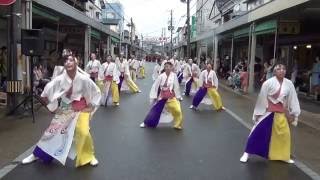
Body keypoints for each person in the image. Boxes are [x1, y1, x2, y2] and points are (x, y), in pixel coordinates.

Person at [22, 53, 101, 167]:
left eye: (71, 60)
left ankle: (89, 156)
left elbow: (96, 91)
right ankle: (37, 154)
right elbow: (47, 91)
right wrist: (51, 107)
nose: (68, 62)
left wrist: (91, 106)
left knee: (83, 132)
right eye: (65, 61)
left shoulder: (83, 78)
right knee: (52, 132)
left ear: (76, 62)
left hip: (82, 108)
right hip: (66, 108)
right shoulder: (60, 79)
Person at [239, 64, 300, 164]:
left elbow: (293, 99)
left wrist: (294, 113)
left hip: (281, 113)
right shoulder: (268, 83)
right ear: (274, 72)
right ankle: (247, 153)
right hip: (267, 112)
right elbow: (262, 98)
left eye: (283, 69)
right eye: (278, 69)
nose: (281, 71)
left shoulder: (289, 83)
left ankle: (284, 156)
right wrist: (258, 113)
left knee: (284, 135)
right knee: (257, 133)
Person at [140, 62, 183, 130]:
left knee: (178, 110)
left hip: (171, 96)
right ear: (164, 68)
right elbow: (155, 86)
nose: (167, 68)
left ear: (171, 67)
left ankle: (177, 125)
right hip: (162, 96)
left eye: (169, 66)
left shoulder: (174, 75)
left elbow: (176, 86)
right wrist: (154, 96)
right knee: (155, 110)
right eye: (166, 67)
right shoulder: (161, 76)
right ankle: (146, 123)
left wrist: (178, 96)